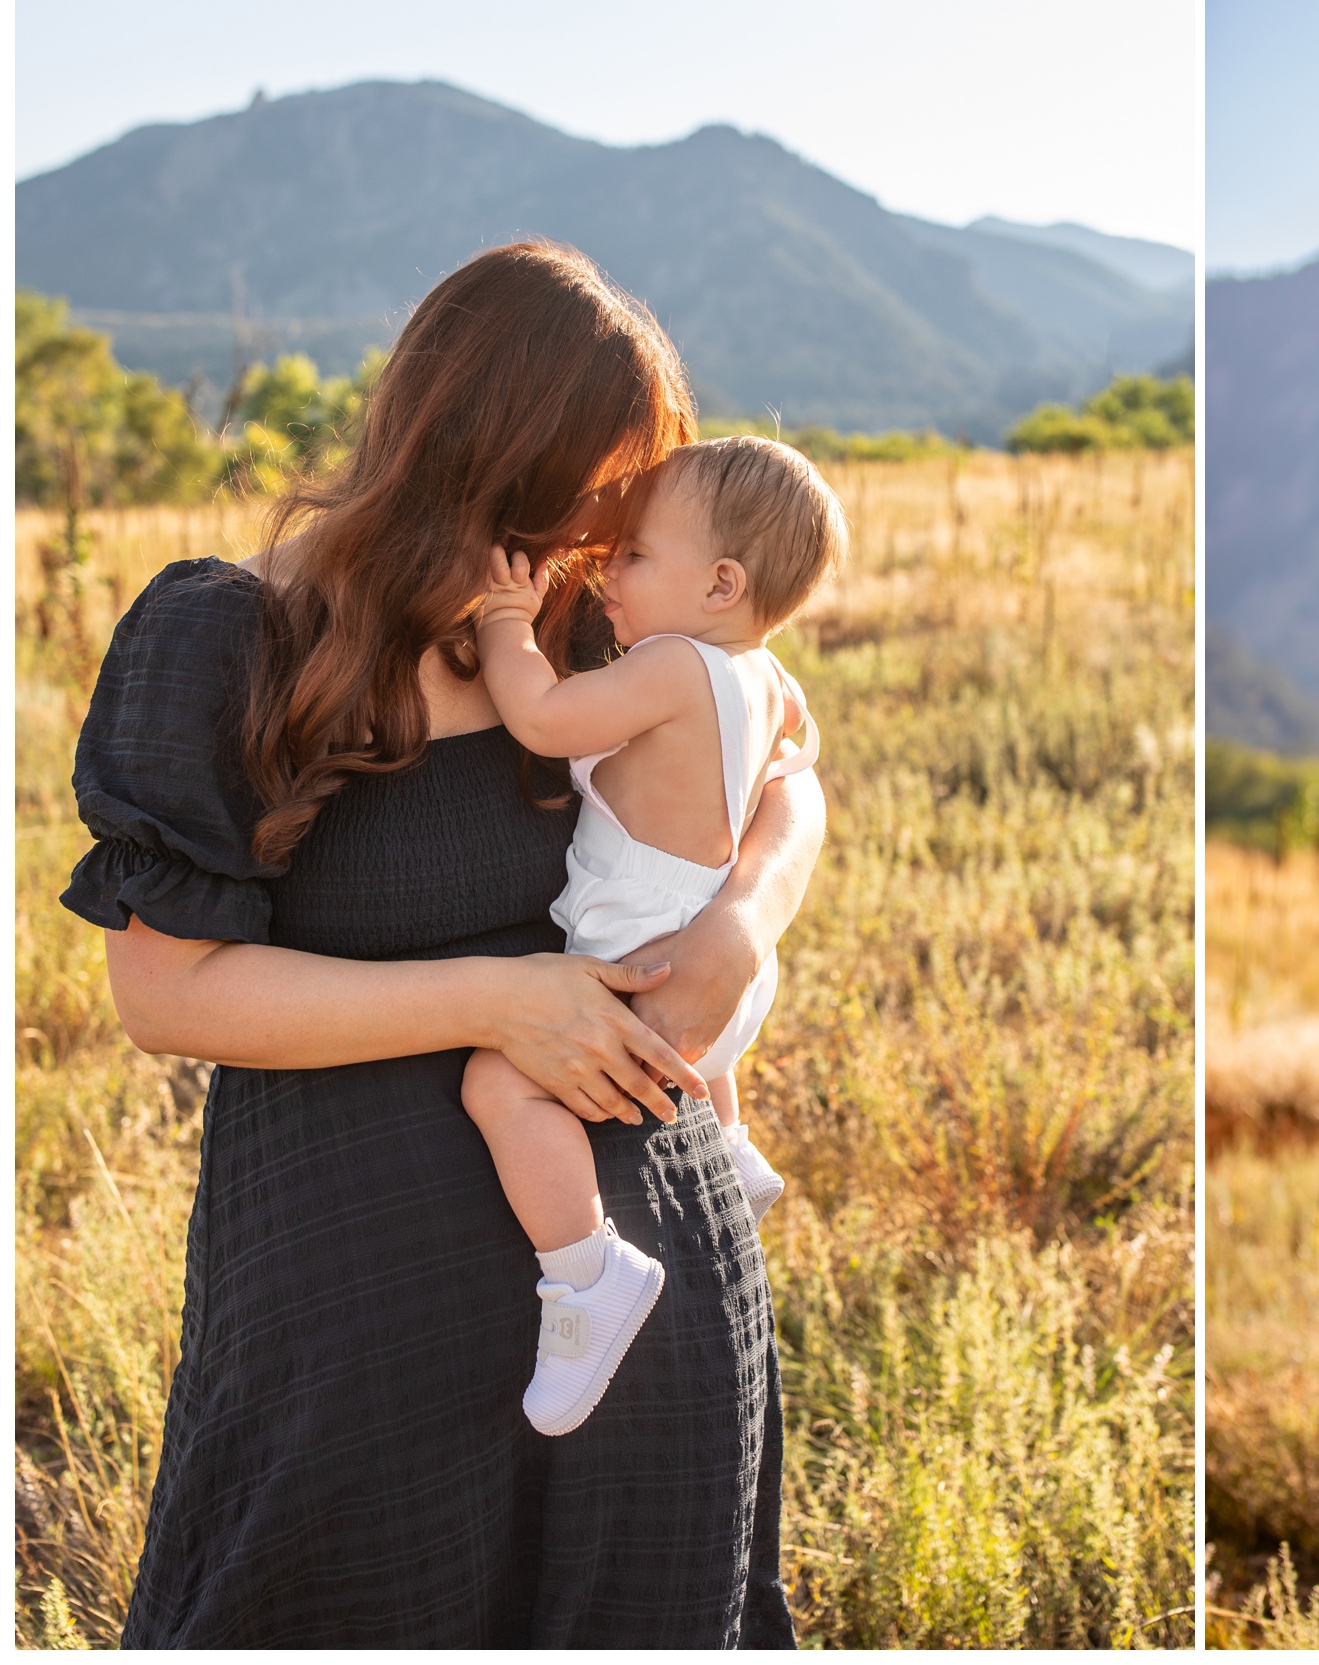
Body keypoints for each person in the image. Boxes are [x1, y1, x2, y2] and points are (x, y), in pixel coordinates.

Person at [62, 241, 819, 1646]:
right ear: (486, 452)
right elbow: (165, 994)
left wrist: (746, 917)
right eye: (592, 488)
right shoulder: (229, 636)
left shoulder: (591, 625)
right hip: (365, 1345)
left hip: (657, 1327)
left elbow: (786, 778)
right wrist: (498, 1002)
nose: (608, 527)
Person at [463, 435, 848, 1435]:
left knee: (499, 1084)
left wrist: (506, 624)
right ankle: (730, 1148)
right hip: (720, 961)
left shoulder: (674, 665)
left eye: (633, 555)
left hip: (646, 960)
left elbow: (543, 718)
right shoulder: (765, 676)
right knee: (694, 1056)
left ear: (721, 584)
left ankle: (586, 1274)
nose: (606, 571)